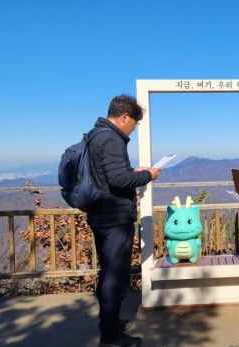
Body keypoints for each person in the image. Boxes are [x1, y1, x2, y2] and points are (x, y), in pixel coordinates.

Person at [87, 94, 160, 347]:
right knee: (114, 276)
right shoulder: (111, 139)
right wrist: (147, 175)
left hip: (101, 214)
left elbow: (110, 175)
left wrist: (133, 172)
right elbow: (118, 180)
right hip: (114, 217)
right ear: (125, 117)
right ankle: (111, 336)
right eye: (134, 123)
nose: (134, 128)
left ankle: (111, 323)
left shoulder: (95, 135)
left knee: (108, 272)